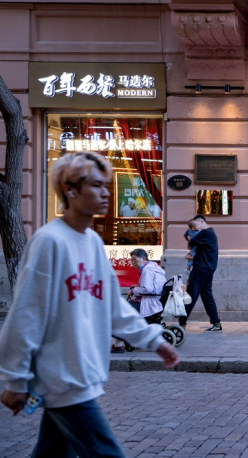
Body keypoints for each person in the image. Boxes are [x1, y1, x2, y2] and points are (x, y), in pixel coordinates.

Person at [0, 151, 180, 457]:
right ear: (70, 191)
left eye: (105, 185)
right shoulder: (50, 241)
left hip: (82, 372)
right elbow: (26, 313)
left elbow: (112, 306)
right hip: (63, 377)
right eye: (96, 185)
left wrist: (153, 341)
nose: (106, 193)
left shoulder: (93, 242)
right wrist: (15, 378)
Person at [180, 214, 221, 332]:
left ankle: (181, 324)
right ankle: (216, 323)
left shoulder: (205, 233)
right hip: (208, 269)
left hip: (200, 269)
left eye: (196, 224)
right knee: (207, 296)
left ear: (202, 221)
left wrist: (189, 254)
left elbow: (189, 245)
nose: (194, 228)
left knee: (189, 296)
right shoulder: (211, 233)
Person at [128, 248, 166, 318]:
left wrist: (133, 291)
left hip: (149, 303)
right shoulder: (154, 267)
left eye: (135, 259)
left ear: (143, 258)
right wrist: (137, 287)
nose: (133, 262)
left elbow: (148, 289)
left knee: (124, 308)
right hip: (155, 300)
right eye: (132, 260)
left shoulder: (147, 270)